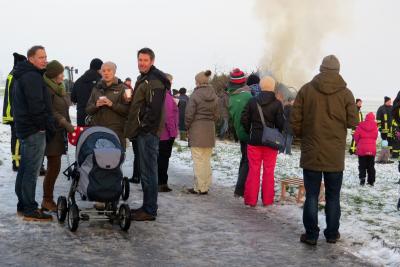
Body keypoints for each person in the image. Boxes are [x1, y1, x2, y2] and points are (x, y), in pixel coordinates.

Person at [291, 55, 358, 245]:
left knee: (311, 195)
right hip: (334, 154)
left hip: (312, 150)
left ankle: (311, 235)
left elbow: (295, 119)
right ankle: (332, 234)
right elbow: (353, 121)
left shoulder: (306, 90)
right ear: (338, 70)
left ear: (321, 69)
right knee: (333, 196)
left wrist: (304, 135)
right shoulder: (346, 94)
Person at [125, 48, 171, 221]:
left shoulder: (154, 81)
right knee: (146, 170)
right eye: (139, 60)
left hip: (148, 132)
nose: (141, 63)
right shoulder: (144, 79)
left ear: (152, 61)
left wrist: (144, 127)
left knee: (149, 171)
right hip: (144, 131)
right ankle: (147, 206)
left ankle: (150, 209)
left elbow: (154, 109)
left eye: (145, 60)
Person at [13, 45, 55, 221]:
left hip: (24, 128)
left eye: (45, 57)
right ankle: (30, 208)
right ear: (31, 59)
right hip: (33, 130)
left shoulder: (23, 74)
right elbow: (36, 105)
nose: (45, 60)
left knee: (24, 168)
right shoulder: (32, 77)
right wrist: (43, 126)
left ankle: (23, 205)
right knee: (31, 170)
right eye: (41, 57)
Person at [241, 76, 284, 207]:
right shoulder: (277, 103)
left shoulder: (252, 101)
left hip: (254, 140)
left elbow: (244, 118)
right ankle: (267, 200)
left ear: (260, 86)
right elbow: (281, 124)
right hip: (271, 142)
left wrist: (250, 131)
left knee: (253, 170)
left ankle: (251, 200)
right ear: (273, 87)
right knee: (269, 171)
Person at [42, 60, 75, 211]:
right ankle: (47, 200)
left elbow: (64, 107)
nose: (63, 76)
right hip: (52, 132)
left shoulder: (59, 88)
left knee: (55, 167)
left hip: (60, 132)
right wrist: (65, 123)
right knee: (53, 167)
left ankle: (47, 199)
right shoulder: (47, 89)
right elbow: (51, 112)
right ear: (54, 74)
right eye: (61, 73)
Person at [185, 70, 219, 194]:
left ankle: (200, 187)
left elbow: (189, 114)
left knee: (198, 160)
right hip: (209, 129)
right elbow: (216, 115)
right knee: (206, 159)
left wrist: (187, 126)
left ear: (198, 81)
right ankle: (206, 184)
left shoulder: (195, 95)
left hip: (197, 129)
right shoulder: (214, 95)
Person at [86, 62, 130, 148]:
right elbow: (88, 109)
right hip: (98, 132)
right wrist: (96, 105)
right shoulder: (96, 88)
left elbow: (128, 111)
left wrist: (112, 104)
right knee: (99, 160)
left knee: (113, 159)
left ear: (114, 72)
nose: (106, 73)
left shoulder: (124, 89)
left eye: (109, 70)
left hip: (115, 133)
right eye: (103, 71)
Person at [227, 68, 252, 197]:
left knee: (244, 159)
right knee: (248, 161)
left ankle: (239, 187)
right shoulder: (247, 96)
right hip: (247, 133)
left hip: (239, 131)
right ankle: (240, 189)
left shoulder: (232, 96)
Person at [2, 53, 26, 171]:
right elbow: (13, 97)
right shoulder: (14, 75)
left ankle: (17, 161)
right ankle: (16, 163)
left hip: (13, 113)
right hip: (13, 114)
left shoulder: (13, 74)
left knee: (16, 138)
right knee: (16, 139)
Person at [158, 74, 179, 192]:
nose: (171, 83)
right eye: (170, 81)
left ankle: (158, 182)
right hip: (166, 134)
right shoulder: (166, 96)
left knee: (159, 158)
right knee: (163, 158)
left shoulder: (160, 95)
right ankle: (162, 183)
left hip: (159, 133)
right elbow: (169, 117)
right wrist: (173, 133)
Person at [71, 58, 103, 126]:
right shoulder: (101, 82)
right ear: (99, 69)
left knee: (83, 135)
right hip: (96, 115)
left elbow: (73, 98)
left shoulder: (78, 81)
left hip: (81, 116)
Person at [354, 112, 378, 186]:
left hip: (362, 148)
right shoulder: (375, 126)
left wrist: (358, 143)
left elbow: (356, 136)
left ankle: (362, 179)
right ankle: (371, 181)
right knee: (371, 165)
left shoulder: (360, 125)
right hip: (371, 148)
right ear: (373, 118)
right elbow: (375, 137)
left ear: (366, 118)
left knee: (362, 165)